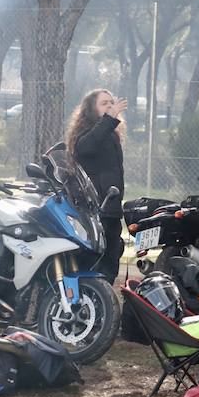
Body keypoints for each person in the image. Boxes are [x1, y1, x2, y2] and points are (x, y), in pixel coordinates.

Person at [68, 89, 127, 284]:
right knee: (92, 262)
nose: (110, 106)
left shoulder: (111, 135)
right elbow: (86, 148)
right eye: (104, 103)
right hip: (94, 210)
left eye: (112, 103)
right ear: (91, 109)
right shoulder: (86, 134)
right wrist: (109, 119)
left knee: (111, 261)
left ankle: (104, 303)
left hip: (111, 209)